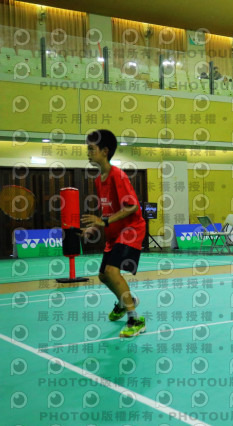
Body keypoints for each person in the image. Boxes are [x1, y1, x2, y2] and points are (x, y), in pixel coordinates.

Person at [81, 129, 147, 338]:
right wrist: (95, 227)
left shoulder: (118, 175)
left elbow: (132, 206)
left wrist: (104, 221)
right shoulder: (99, 180)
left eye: (91, 149)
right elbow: (108, 210)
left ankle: (135, 319)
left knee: (111, 271)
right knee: (103, 275)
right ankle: (125, 301)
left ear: (105, 151)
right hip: (115, 233)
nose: (88, 153)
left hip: (131, 230)